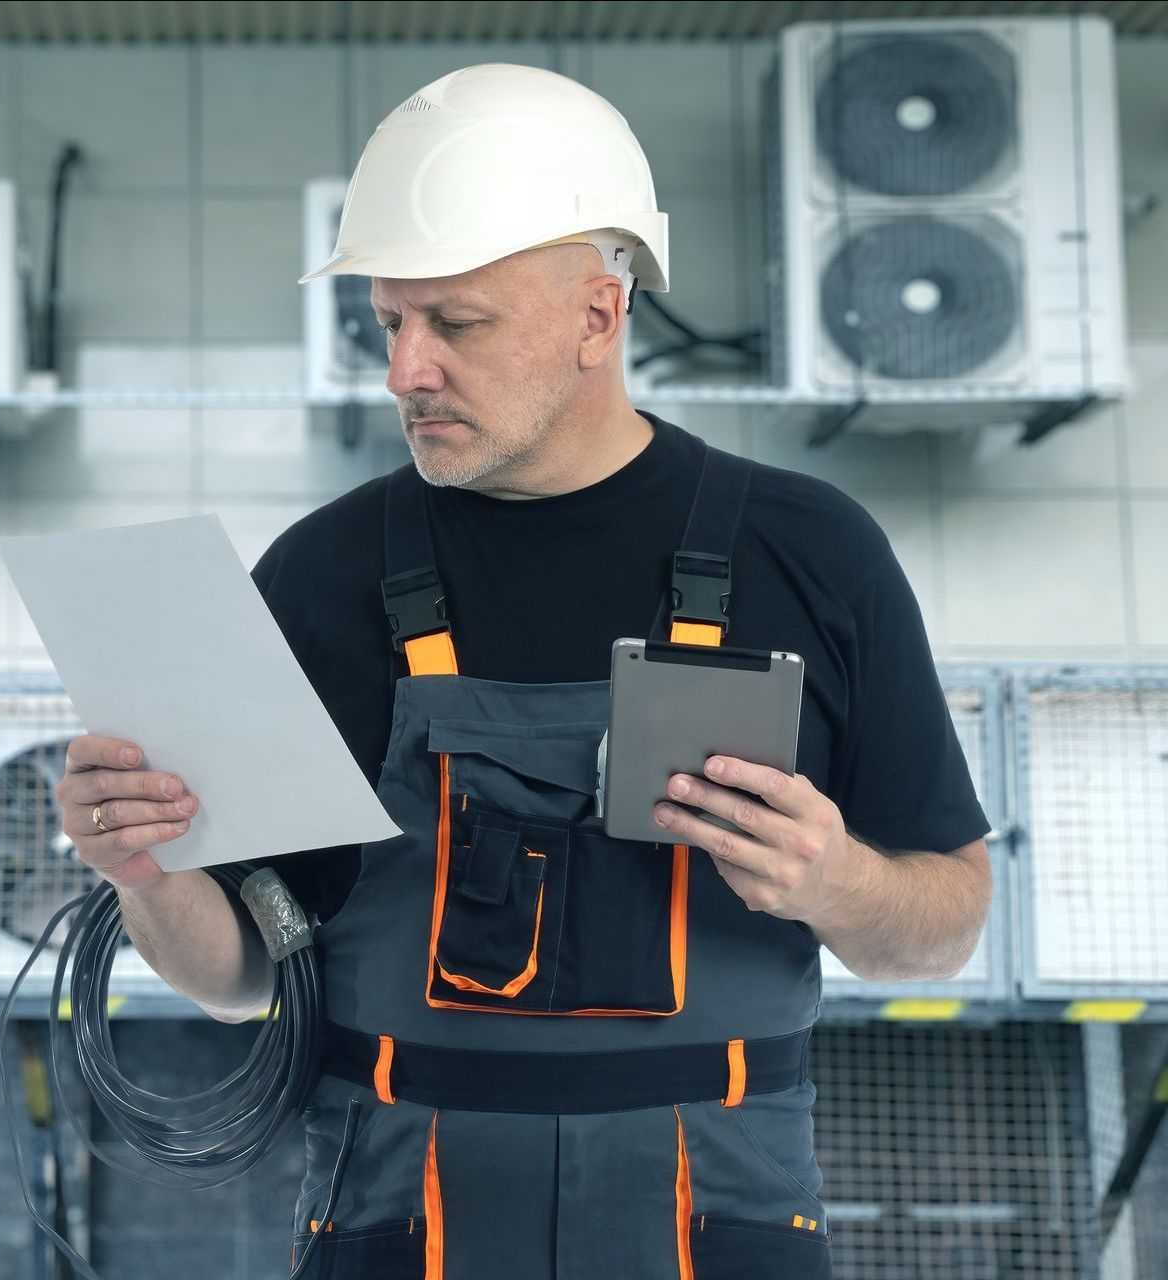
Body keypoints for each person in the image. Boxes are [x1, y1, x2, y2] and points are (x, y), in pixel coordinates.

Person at [54, 64, 992, 1279]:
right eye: (390, 321)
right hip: (397, 1208)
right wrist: (146, 867)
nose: (405, 369)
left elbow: (943, 925)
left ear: (600, 316)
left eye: (457, 322)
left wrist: (839, 877)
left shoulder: (810, 551)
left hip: (719, 1214)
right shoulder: (323, 572)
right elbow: (235, 975)